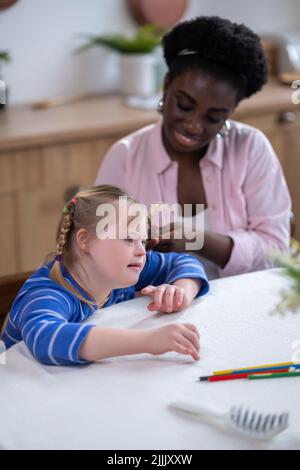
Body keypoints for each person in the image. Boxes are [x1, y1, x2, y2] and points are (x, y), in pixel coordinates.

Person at [95, 16, 291, 279]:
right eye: (185, 106)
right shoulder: (126, 157)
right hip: (153, 309)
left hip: (240, 303)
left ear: (230, 112)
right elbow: (100, 255)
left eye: (214, 117)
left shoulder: (250, 148)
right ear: (166, 87)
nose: (194, 125)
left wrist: (198, 240)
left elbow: (277, 250)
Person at [1, 185, 209, 366]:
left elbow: (184, 261)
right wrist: (148, 341)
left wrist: (181, 292)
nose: (142, 251)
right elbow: (46, 338)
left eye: (143, 241)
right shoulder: (49, 293)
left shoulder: (119, 269)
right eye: (128, 239)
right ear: (85, 241)